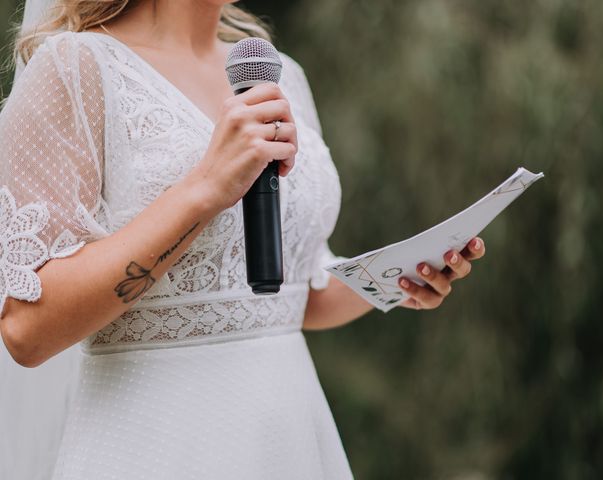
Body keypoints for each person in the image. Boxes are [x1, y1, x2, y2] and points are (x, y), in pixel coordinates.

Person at [0, 0, 486, 478]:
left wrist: (402, 277)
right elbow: (27, 329)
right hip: (157, 442)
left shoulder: (280, 76)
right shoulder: (74, 67)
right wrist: (206, 188)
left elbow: (290, 300)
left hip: (291, 437)